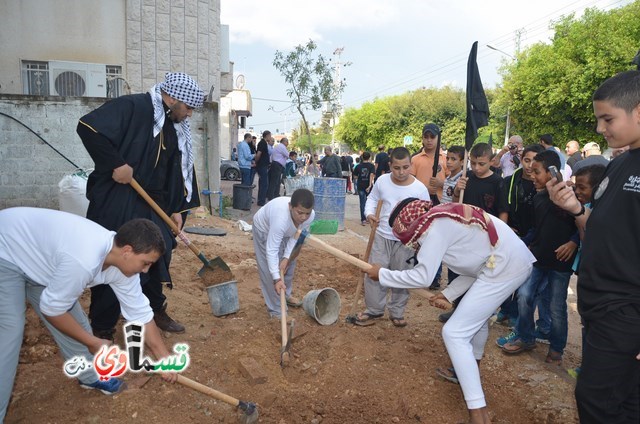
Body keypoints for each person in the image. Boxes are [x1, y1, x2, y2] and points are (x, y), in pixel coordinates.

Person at [0, 208, 179, 422]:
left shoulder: (122, 266)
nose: (146, 270)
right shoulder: (84, 260)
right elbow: (52, 310)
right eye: (146, 263)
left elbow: (141, 313)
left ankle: (89, 377)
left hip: (40, 260)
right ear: (127, 251)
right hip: (6, 249)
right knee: (10, 331)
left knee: (75, 323)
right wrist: (92, 341)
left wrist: (163, 358)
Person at [365, 200, 535, 424]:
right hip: (501, 263)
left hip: (505, 266)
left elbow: (423, 277)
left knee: (454, 333)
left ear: (412, 226)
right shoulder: (440, 220)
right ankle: (468, 372)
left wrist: (383, 274)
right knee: (477, 322)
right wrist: (449, 293)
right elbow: (474, 265)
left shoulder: (436, 227)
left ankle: (478, 415)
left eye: (410, 239)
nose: (413, 245)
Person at [78, 72, 206, 339]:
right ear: (172, 99)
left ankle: (154, 311)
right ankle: (102, 327)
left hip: (152, 204)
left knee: (157, 256)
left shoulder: (172, 126)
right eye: (189, 107)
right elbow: (88, 127)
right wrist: (117, 164)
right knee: (117, 259)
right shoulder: (133, 106)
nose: (190, 114)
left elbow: (175, 170)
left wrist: (176, 209)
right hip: (117, 200)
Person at [546, 70, 640, 423]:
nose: (601, 129)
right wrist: (574, 210)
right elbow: (599, 231)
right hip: (599, 308)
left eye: (608, 118)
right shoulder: (619, 165)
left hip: (627, 313)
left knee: (595, 401)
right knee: (627, 402)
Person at [501, 150, 578, 366]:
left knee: (556, 306)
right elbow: (536, 228)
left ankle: (556, 349)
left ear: (552, 172)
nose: (532, 176)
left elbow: (580, 223)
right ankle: (526, 337)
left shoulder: (568, 196)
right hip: (538, 259)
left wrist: (573, 242)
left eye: (537, 172)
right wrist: (520, 242)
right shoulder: (538, 198)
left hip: (560, 265)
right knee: (524, 295)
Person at [355, 147, 430, 327]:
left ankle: (397, 312)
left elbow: (427, 215)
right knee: (374, 272)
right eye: (397, 168)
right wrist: (369, 214)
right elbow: (372, 199)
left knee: (401, 275)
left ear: (411, 165)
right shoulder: (382, 181)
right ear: (390, 165)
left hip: (406, 242)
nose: (401, 172)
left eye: (405, 167)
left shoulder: (419, 189)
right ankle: (374, 310)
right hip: (382, 235)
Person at [494, 144, 545, 328]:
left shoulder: (542, 185)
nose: (530, 165)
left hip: (533, 239)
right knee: (506, 273)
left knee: (524, 280)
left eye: (535, 161)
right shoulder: (509, 182)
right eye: (527, 160)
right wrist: (505, 233)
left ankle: (516, 313)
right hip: (512, 235)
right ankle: (505, 309)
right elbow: (503, 209)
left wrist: (533, 240)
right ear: (520, 159)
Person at [566, 164, 606, 379]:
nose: (578, 192)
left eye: (582, 187)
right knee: (586, 318)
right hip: (585, 270)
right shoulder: (585, 206)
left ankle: (593, 367)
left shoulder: (598, 211)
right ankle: (587, 364)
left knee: (597, 321)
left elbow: (588, 239)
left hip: (599, 273)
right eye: (576, 187)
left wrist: (581, 218)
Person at [252, 189, 315, 318]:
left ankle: (284, 296)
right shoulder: (280, 218)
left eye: (307, 213)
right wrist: (276, 278)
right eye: (300, 213)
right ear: (290, 207)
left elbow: (295, 236)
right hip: (264, 229)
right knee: (270, 270)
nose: (303, 217)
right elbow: (272, 250)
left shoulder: (310, 216)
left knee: (288, 266)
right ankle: (276, 310)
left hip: (287, 232)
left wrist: (286, 257)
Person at [452, 143, 502, 216]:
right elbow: (455, 203)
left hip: (487, 224)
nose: (476, 168)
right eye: (473, 163)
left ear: (492, 161)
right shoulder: (466, 176)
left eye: (481, 164)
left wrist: (500, 227)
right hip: (465, 221)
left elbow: (503, 210)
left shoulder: (498, 181)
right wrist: (457, 190)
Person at [411, 123, 448, 203]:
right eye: (426, 137)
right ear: (422, 138)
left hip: (441, 203)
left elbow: (452, 183)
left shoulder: (446, 159)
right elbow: (409, 183)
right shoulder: (415, 159)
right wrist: (425, 190)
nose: (429, 140)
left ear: (438, 138)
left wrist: (441, 183)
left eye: (432, 137)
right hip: (420, 203)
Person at [353, 151, 376, 225]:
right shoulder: (371, 166)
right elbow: (371, 175)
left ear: (362, 157)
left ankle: (363, 219)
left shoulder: (358, 166)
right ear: (369, 157)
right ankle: (368, 217)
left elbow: (355, 176)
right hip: (368, 186)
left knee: (362, 203)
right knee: (370, 202)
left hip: (360, 185)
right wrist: (369, 185)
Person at [255, 131, 272, 206]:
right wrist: (256, 162)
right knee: (264, 184)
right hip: (262, 166)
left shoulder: (265, 143)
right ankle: (261, 201)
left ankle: (261, 199)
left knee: (263, 183)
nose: (270, 138)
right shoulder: (262, 143)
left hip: (264, 165)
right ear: (267, 136)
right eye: (270, 136)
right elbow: (258, 153)